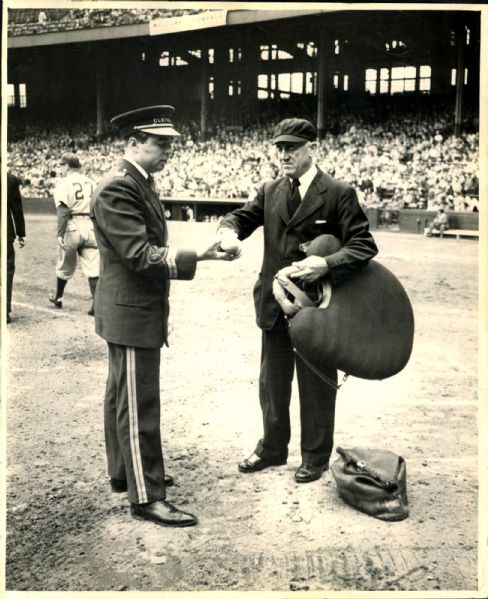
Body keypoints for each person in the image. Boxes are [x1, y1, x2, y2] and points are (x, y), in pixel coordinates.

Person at [90, 105, 236, 528]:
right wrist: (201, 255)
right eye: (161, 143)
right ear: (133, 143)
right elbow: (139, 255)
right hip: (131, 312)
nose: (169, 150)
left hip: (127, 310)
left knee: (122, 395)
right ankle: (146, 496)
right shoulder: (120, 187)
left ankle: (126, 473)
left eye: (170, 143)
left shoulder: (138, 181)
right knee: (139, 404)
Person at [217, 118, 378, 483]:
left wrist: (326, 263)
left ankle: (315, 456)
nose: (284, 154)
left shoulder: (338, 192)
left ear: (312, 148)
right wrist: (227, 232)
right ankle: (273, 448)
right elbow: (241, 218)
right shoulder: (271, 189)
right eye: (280, 148)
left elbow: (364, 244)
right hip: (275, 303)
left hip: (319, 307)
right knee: (272, 381)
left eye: (292, 147)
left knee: (316, 382)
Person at [48, 153, 99, 315]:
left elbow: (63, 211)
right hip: (91, 225)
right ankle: (96, 304)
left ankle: (58, 297)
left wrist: (60, 233)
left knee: (64, 265)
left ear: (68, 166)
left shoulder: (63, 183)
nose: (60, 168)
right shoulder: (91, 182)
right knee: (93, 268)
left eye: (61, 165)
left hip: (72, 225)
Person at [7, 172, 26, 324]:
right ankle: (4, 310)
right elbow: (16, 208)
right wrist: (21, 232)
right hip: (5, 232)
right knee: (7, 270)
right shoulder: (11, 179)